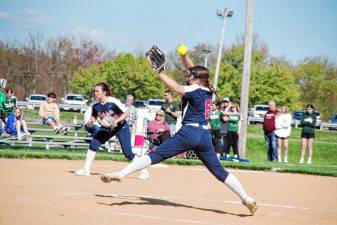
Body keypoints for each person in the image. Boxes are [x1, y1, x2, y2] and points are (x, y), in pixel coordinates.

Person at [100, 48, 257, 215]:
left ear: (197, 79)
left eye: (191, 75)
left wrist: (159, 72)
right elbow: (192, 69)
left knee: (156, 155)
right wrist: (184, 56)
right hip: (204, 135)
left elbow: (176, 88)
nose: (188, 76)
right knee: (220, 172)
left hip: (189, 132)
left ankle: (122, 173)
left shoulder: (193, 89)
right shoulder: (207, 89)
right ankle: (246, 198)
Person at [75, 82, 149, 180]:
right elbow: (95, 115)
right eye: (95, 91)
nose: (95, 93)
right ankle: (86, 169)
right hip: (107, 128)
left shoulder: (113, 102)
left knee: (128, 153)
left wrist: (115, 121)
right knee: (94, 143)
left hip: (121, 127)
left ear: (104, 92)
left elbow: (125, 114)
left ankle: (144, 171)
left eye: (97, 91)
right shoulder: (95, 104)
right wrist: (91, 121)